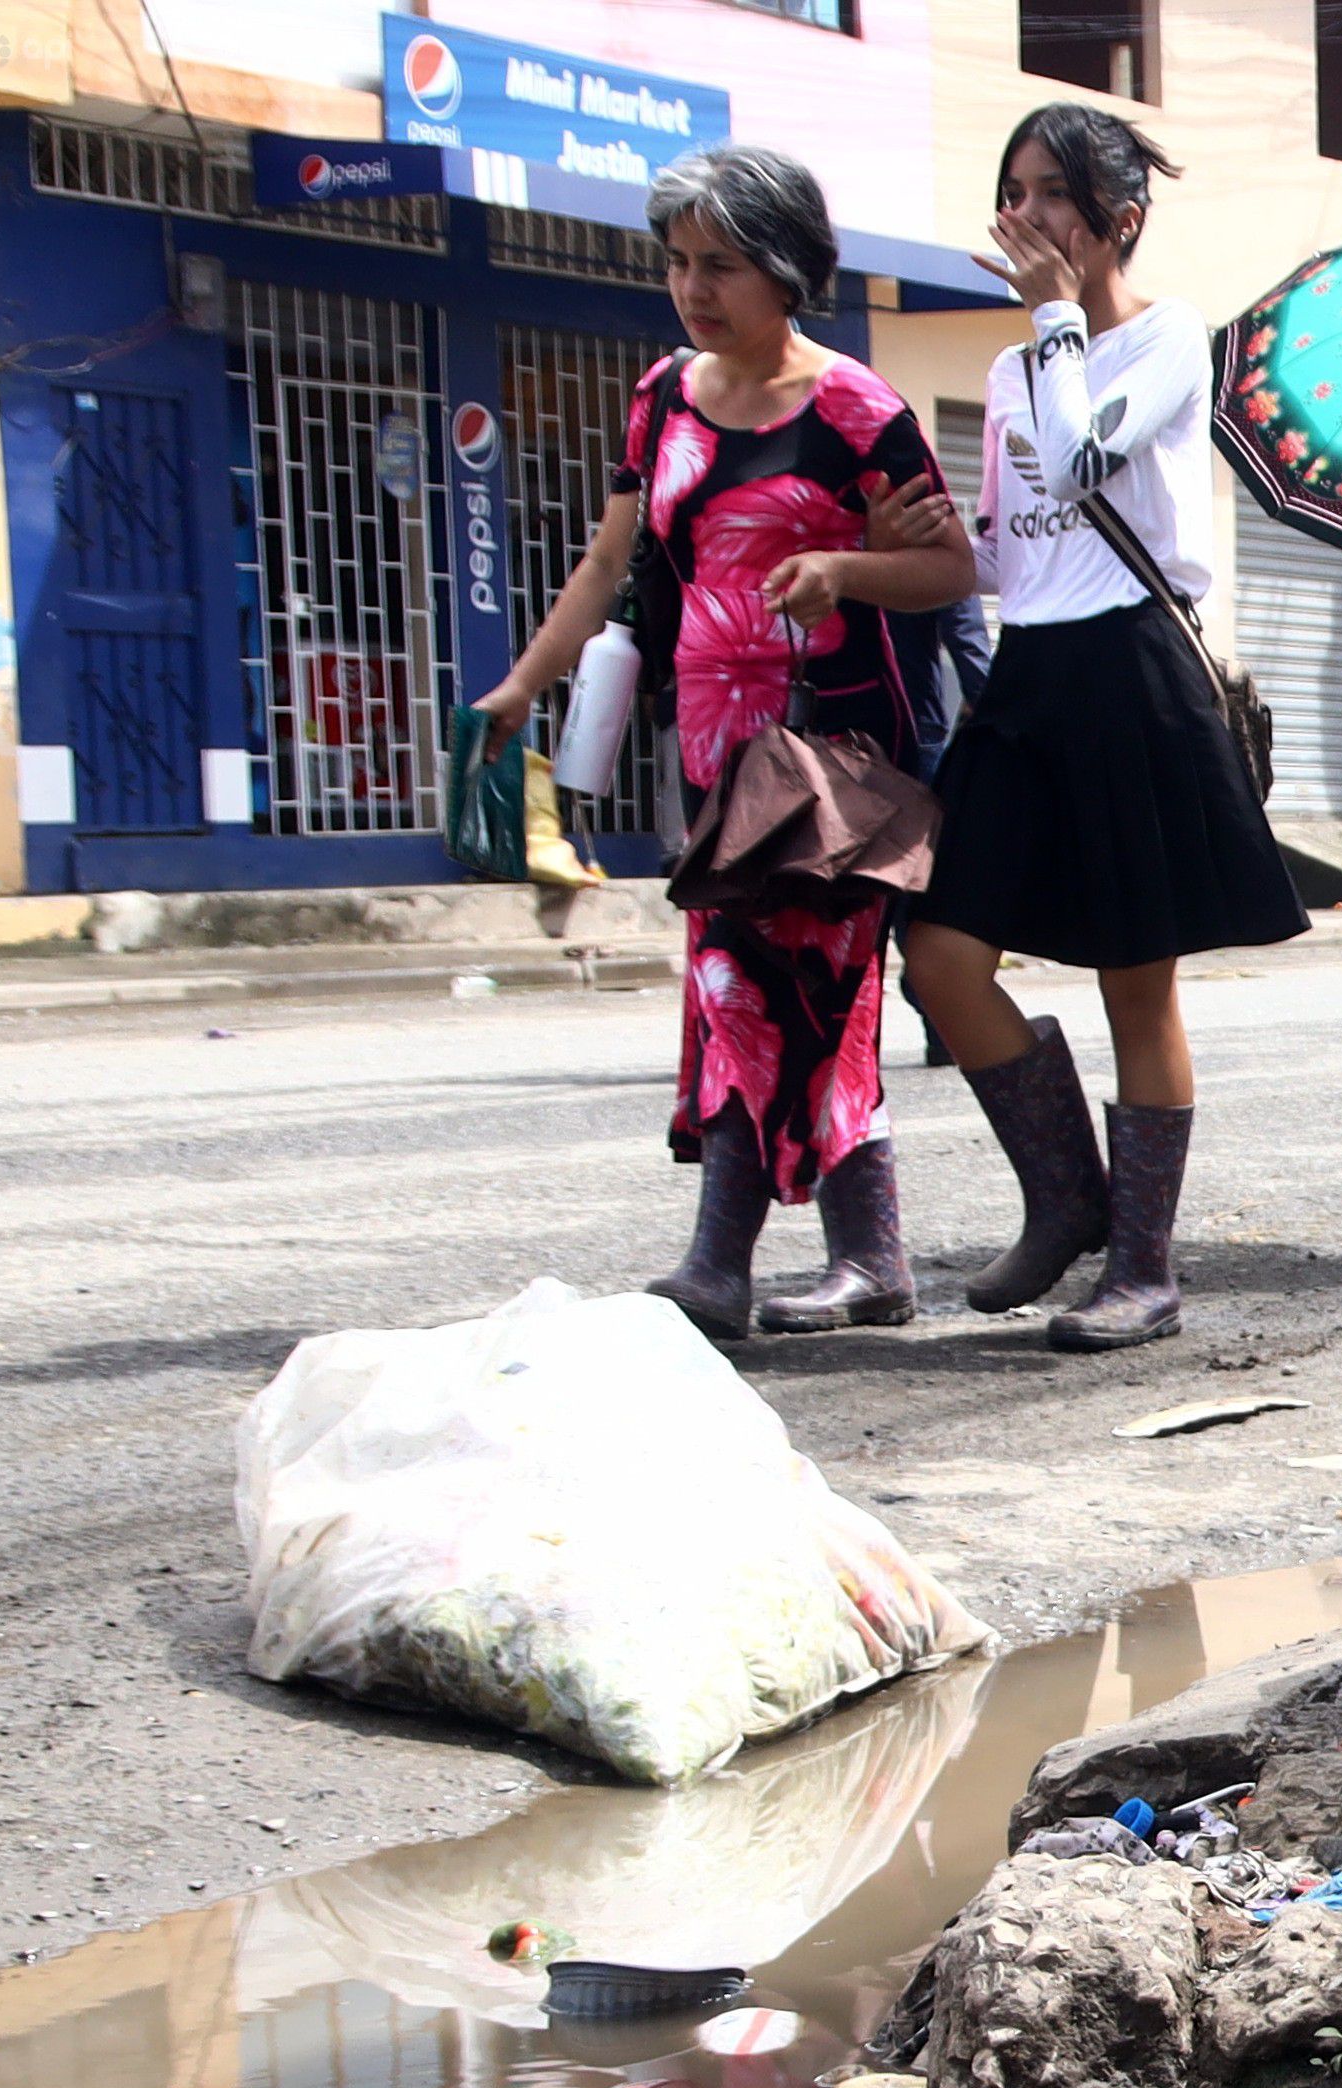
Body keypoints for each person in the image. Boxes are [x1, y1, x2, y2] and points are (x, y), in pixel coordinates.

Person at [477, 142, 975, 1338]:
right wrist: (520, 687)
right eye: (679, 263)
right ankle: (859, 1258)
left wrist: (846, 565)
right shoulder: (663, 396)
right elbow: (611, 565)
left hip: (829, 754)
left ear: (788, 269)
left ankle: (733, 1261)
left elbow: (953, 568)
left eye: (722, 265)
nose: (695, 289)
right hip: (712, 754)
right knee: (745, 986)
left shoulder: (859, 409)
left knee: (791, 986)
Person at [893, 104, 1309, 1351]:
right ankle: (1067, 1194)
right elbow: (1012, 549)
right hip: (1030, 677)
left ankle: (1144, 1264)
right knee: (939, 954)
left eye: (1052, 194)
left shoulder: (1173, 340)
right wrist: (909, 556)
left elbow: (1079, 469)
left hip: (1134, 668)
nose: (1025, 217)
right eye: (1012, 190)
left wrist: (1059, 320)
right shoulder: (1014, 368)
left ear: (1119, 218)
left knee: (1140, 987)